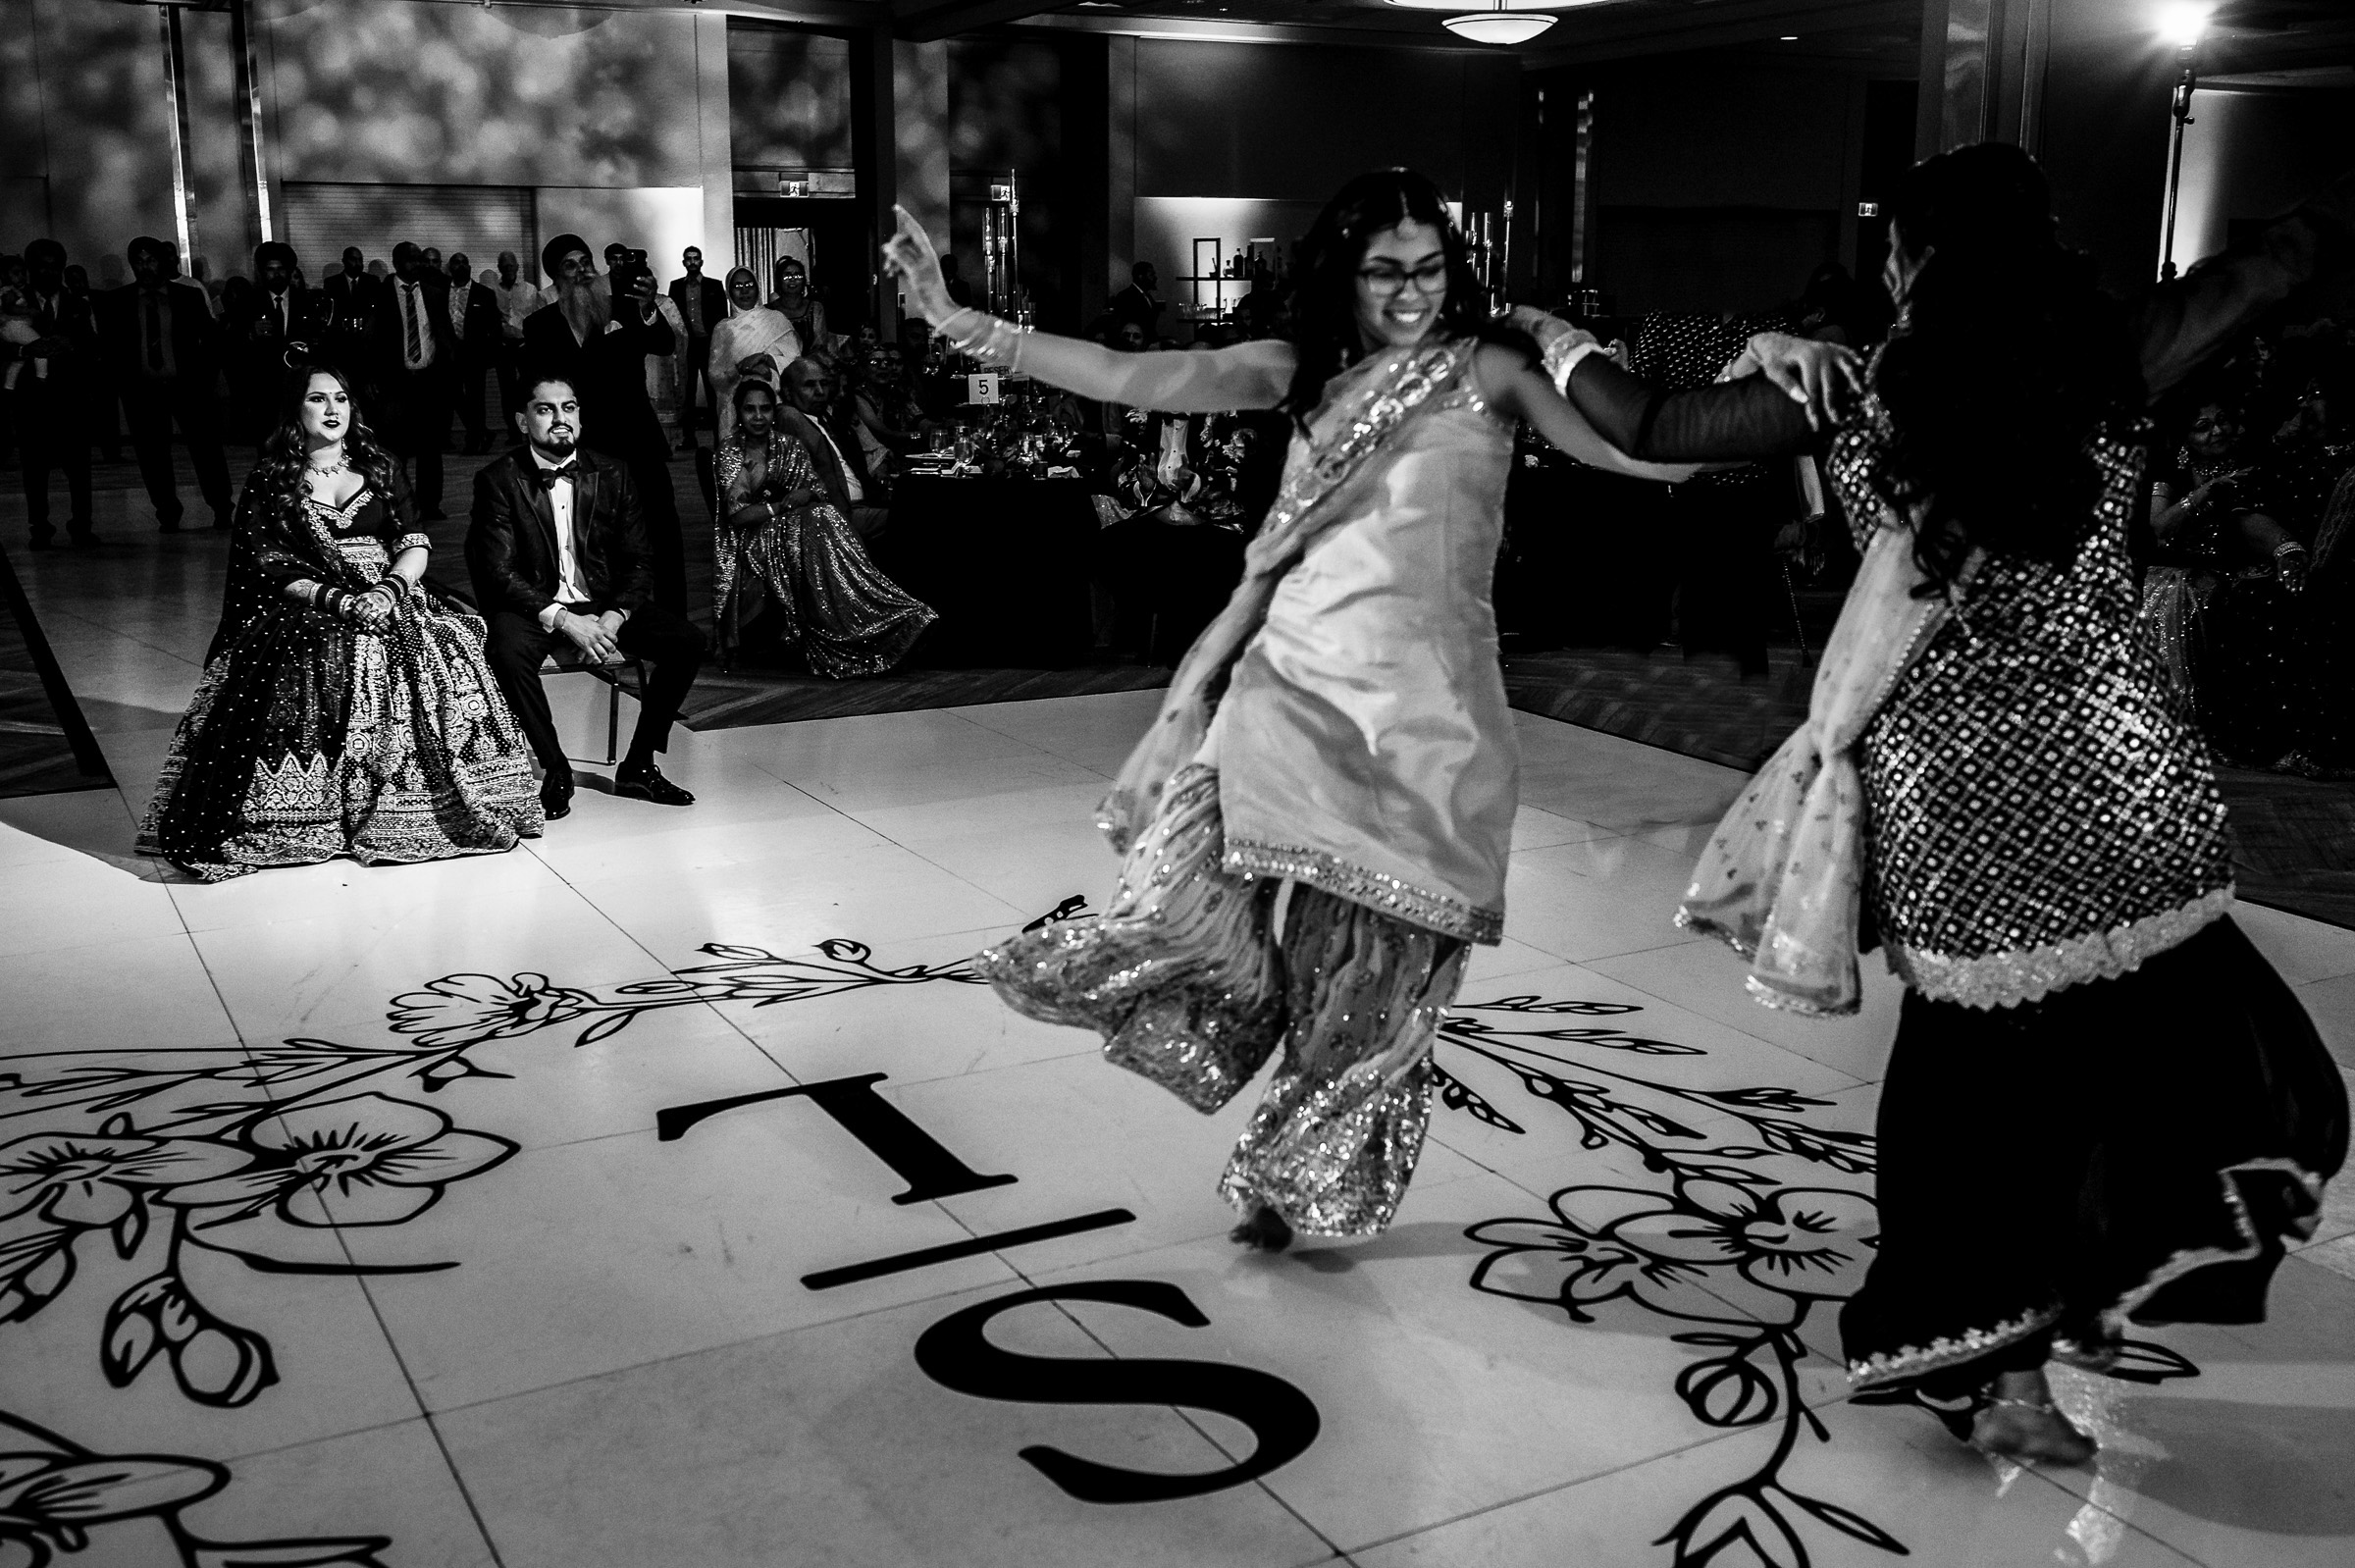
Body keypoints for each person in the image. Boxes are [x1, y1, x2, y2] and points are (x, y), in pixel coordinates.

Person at [1557, 143, 2351, 1464]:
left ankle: (2006, 1371)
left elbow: (1648, 425)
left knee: (1974, 1092)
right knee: (2129, 1053)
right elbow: (2267, 273)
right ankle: (2076, 1300)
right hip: (2119, 775)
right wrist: (2305, 225)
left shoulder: (1868, 392)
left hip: (1957, 797)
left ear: (1914, 261)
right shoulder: (2120, 355)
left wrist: (1550, 333)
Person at [885, 171, 1695, 1250]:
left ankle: (1294, 1162)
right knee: (1185, 909)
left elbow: (1626, 447)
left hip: (1427, 723)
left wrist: (1759, 404)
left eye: (1428, 268)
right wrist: (961, 321)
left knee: (1367, 970)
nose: (1409, 293)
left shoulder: (1492, 368)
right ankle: (1254, 1070)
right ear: (1342, 276)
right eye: (1382, 271)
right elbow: (1139, 373)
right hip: (1291, 696)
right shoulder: (1298, 372)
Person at [136, 359, 543, 880]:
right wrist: (342, 602)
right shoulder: (272, 479)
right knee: (319, 650)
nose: (332, 409)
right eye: (317, 398)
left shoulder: (379, 465)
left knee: (447, 638)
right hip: (306, 604)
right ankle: (310, 813)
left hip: (392, 590)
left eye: (341, 399)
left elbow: (413, 541)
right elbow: (270, 564)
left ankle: (428, 800)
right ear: (294, 409)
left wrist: (389, 589)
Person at [467, 374, 705, 818]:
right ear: (522, 421)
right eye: (546, 409)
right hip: (532, 602)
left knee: (687, 642)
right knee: (506, 651)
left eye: (570, 407)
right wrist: (562, 619)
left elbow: (640, 559)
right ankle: (555, 769)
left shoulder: (613, 472)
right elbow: (497, 572)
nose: (561, 418)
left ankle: (638, 766)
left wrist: (615, 615)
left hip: (601, 601)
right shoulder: (497, 479)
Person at [713, 379, 934, 674]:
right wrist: (782, 507)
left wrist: (805, 496)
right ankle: (861, 623)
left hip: (801, 526)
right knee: (819, 519)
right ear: (738, 413)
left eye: (765, 409)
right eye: (749, 409)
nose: (757, 417)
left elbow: (817, 490)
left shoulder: (789, 445)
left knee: (824, 515)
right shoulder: (730, 453)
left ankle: (877, 614)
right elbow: (739, 516)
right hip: (754, 540)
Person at [522, 235, 683, 613]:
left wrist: (648, 308)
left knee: (661, 535)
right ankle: (612, 619)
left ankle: (674, 618)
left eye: (586, 262)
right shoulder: (539, 326)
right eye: (571, 265)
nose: (582, 271)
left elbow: (664, 344)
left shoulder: (624, 309)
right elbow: (532, 391)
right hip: (586, 451)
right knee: (597, 541)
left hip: (638, 443)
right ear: (555, 277)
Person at [94, 235, 232, 533]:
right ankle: (167, 510)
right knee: (152, 455)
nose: (145, 267)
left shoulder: (187, 296)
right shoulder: (116, 302)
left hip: (186, 386)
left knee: (206, 450)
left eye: (151, 260)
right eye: (139, 262)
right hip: (142, 390)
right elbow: (110, 348)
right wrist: (124, 384)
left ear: (163, 261)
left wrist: (203, 378)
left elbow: (212, 341)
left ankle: (222, 506)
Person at [9, 238, 98, 549]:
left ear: (61, 268)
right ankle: (39, 526)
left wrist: (68, 346)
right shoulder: (14, 304)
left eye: (53, 266)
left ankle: (82, 525)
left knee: (78, 467)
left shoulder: (77, 303)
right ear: (31, 269)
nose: (47, 272)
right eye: (41, 267)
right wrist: (26, 348)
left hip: (70, 396)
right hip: (31, 397)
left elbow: (91, 347)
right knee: (34, 468)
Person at [780, 356, 886, 542]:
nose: (820, 391)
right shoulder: (790, 416)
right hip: (838, 514)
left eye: (824, 384)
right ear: (788, 392)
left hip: (863, 503)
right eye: (809, 385)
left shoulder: (824, 418)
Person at [224, 241, 311, 447]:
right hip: (264, 388)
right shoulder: (248, 303)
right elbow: (232, 344)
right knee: (268, 446)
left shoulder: (306, 301)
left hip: (299, 385)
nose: (276, 275)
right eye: (270, 270)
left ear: (289, 271)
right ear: (263, 273)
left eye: (281, 269)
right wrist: (251, 332)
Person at [706, 266, 800, 444]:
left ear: (758, 287)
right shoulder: (723, 328)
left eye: (749, 284)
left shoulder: (777, 320)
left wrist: (767, 361)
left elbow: (796, 362)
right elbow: (716, 374)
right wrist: (745, 369)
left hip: (777, 401)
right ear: (729, 292)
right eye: (738, 286)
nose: (744, 290)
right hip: (737, 406)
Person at [669, 246, 725, 452]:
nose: (692, 262)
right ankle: (689, 437)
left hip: (709, 343)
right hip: (687, 344)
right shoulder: (675, 287)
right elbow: (672, 316)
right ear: (684, 262)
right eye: (688, 259)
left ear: (701, 261)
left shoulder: (714, 285)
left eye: (696, 258)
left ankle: (720, 437)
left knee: (713, 392)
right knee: (687, 391)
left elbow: (721, 317)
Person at [446, 251, 503, 455]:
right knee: (453, 395)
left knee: (476, 399)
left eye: (464, 262)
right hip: (450, 354)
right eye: (456, 263)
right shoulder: (440, 291)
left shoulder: (484, 293)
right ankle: (482, 432)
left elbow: (495, 327)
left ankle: (474, 440)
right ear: (450, 268)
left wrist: (489, 355)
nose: (461, 266)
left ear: (470, 267)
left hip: (474, 354)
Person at [489, 250, 539, 424]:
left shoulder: (531, 290)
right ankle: (512, 430)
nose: (508, 268)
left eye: (511, 265)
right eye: (504, 265)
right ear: (499, 268)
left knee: (528, 387)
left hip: (525, 346)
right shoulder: (493, 292)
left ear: (517, 267)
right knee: (507, 391)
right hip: (503, 347)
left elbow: (536, 318)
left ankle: (530, 425)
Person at [769, 257, 832, 365]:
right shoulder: (768, 311)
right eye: (787, 275)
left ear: (804, 280)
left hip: (810, 369)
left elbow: (820, 346)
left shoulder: (815, 309)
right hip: (776, 369)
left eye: (797, 275)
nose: (792, 279)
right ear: (779, 280)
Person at [323, 245, 379, 351]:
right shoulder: (332, 283)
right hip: (341, 340)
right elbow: (330, 312)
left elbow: (376, 309)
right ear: (344, 261)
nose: (357, 264)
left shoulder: (372, 282)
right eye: (353, 259)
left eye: (360, 260)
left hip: (367, 339)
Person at [1110, 261, 1162, 340]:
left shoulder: (1147, 296)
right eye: (1151, 275)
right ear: (1140, 276)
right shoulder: (1126, 296)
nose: (1155, 278)